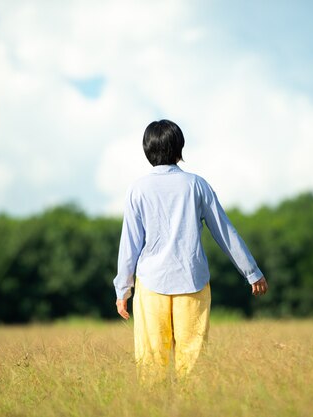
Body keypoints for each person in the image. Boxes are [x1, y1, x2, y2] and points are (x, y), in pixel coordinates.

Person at [113, 119, 268, 383]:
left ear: (147, 150)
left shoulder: (137, 189)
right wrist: (251, 272)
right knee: (193, 366)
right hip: (193, 283)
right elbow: (224, 231)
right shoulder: (197, 184)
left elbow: (130, 244)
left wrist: (123, 289)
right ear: (179, 149)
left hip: (150, 285)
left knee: (151, 366)